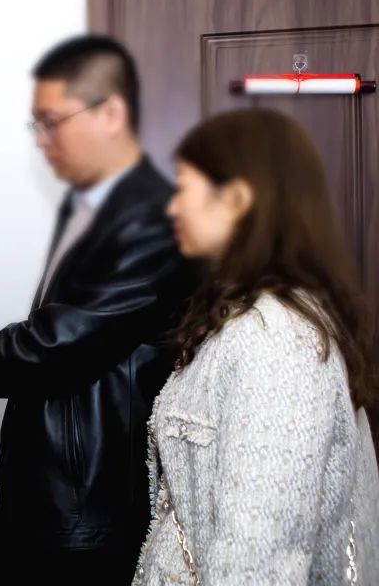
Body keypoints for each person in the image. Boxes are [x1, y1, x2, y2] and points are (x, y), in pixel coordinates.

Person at [0, 35, 195, 583]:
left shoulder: (148, 220)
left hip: (90, 507)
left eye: (54, 122)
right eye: (37, 125)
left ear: (111, 115)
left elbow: (53, 345)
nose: (43, 140)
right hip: (59, 494)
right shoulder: (89, 208)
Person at [134, 108, 379, 585]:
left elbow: (258, 563)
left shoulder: (276, 340)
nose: (173, 208)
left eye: (183, 187)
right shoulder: (254, 319)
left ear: (237, 199)